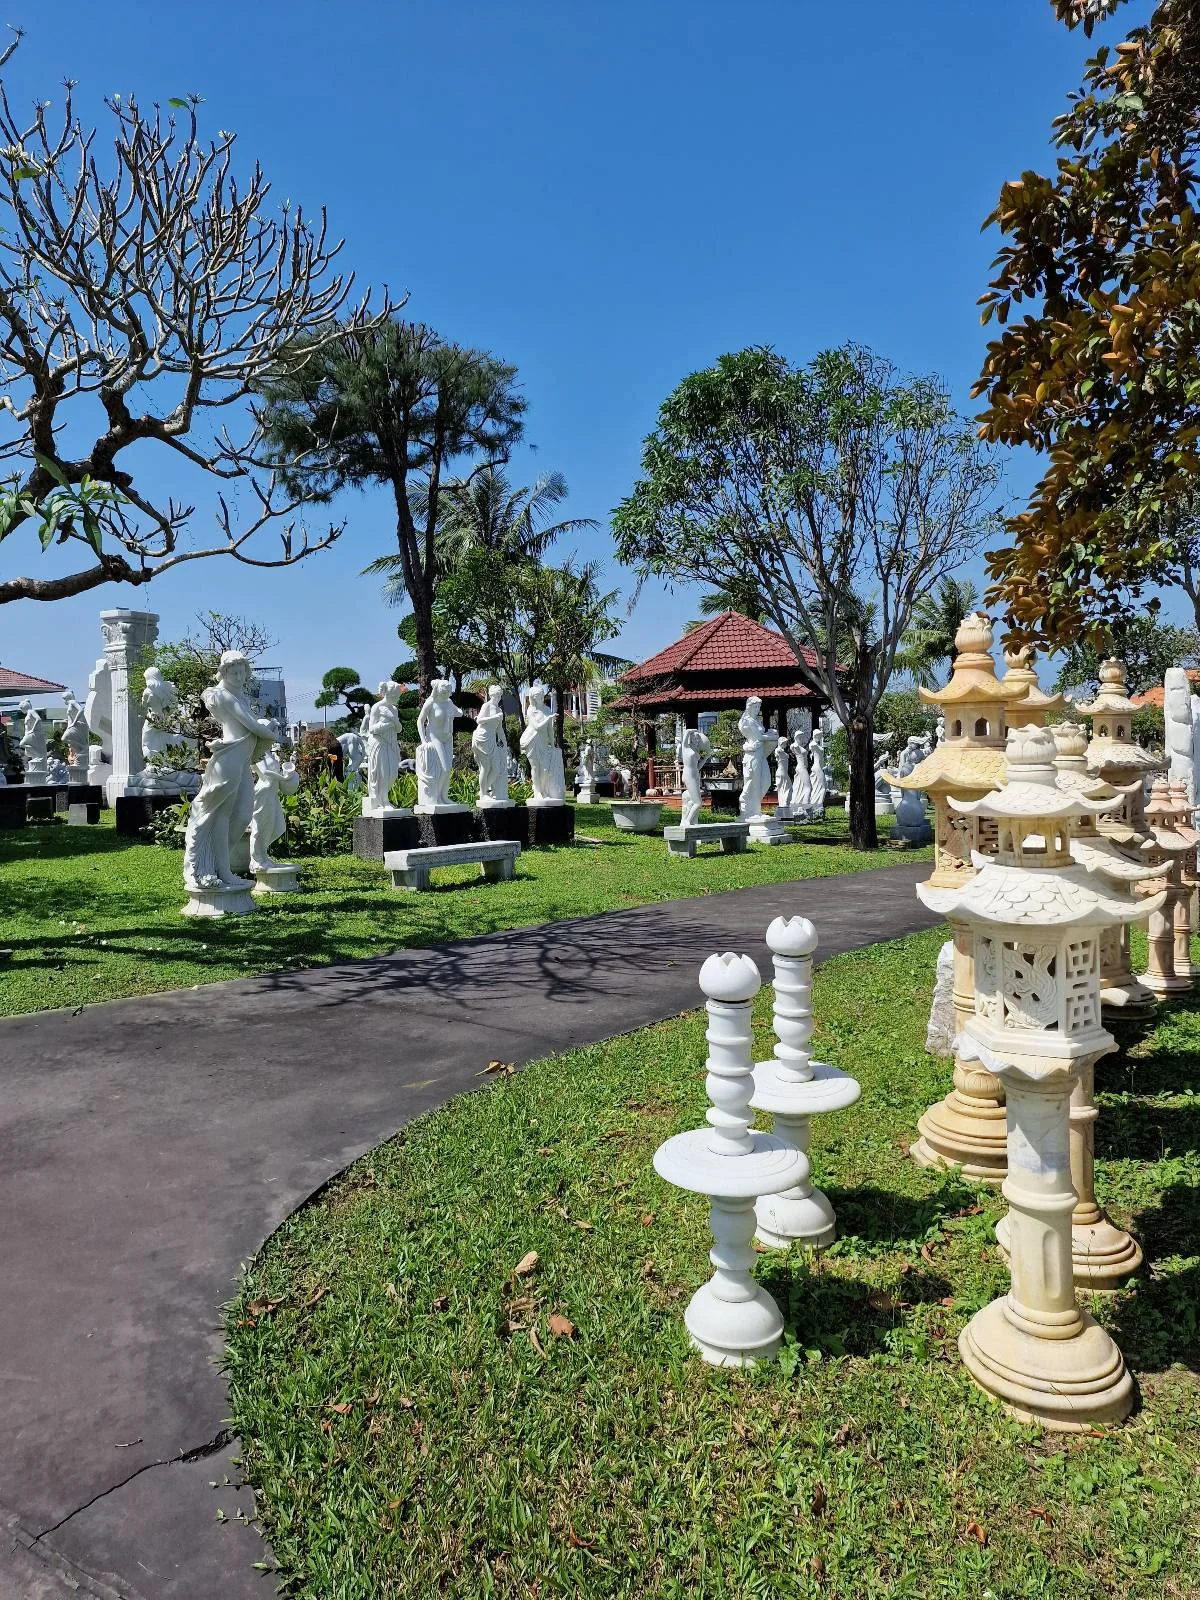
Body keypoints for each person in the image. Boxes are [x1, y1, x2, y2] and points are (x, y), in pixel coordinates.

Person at [183, 652, 279, 891]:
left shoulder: (238, 695)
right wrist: (272, 734)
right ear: (223, 673)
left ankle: (216, 864)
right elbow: (253, 725)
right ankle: (222, 871)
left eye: (241, 672)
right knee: (222, 815)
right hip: (229, 759)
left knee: (244, 815)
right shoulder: (222, 696)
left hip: (242, 760)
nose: (238, 676)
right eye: (233, 672)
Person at [416, 678, 461, 810]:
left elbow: (459, 712)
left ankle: (443, 796)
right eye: (444, 691)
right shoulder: (431, 702)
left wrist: (455, 712)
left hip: (447, 737)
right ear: (438, 691)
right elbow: (420, 721)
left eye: (448, 691)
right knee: (445, 768)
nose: (447, 694)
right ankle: (436, 796)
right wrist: (423, 741)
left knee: (448, 769)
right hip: (434, 737)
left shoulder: (448, 702)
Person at [520, 682, 565, 804]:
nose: (541, 698)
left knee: (545, 768)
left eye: (542, 696)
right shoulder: (531, 710)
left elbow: (550, 729)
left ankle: (544, 791)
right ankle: (538, 792)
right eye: (538, 697)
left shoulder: (546, 709)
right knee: (535, 767)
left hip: (544, 741)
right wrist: (549, 718)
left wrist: (553, 743)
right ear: (533, 698)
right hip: (532, 740)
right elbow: (537, 727)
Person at [363, 683, 404, 814]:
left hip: (391, 742)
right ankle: (382, 801)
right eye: (397, 695)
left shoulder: (394, 709)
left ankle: (385, 798)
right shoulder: (377, 707)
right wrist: (387, 724)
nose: (398, 698)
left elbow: (399, 728)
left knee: (393, 773)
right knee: (382, 773)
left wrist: (394, 720)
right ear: (390, 695)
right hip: (379, 743)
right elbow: (371, 729)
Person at [472, 685, 511, 807]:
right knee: (485, 767)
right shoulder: (486, 706)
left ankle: (484, 789)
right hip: (482, 737)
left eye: (499, 695)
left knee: (496, 769)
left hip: (492, 740)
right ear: (491, 695)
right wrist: (494, 717)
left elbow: (499, 729)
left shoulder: (499, 710)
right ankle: (483, 793)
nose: (498, 697)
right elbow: (479, 721)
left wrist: (505, 742)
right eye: (495, 695)